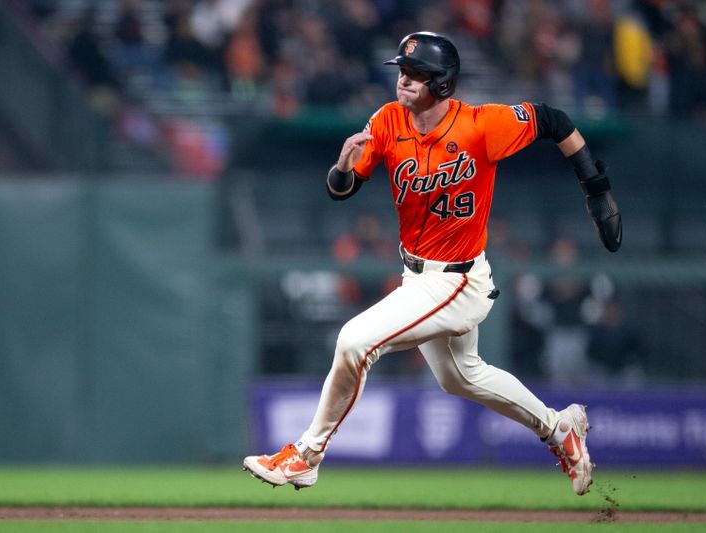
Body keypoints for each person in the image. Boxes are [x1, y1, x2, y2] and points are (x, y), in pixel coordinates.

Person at [243, 31, 622, 496]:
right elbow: (342, 189)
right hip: (415, 272)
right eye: (402, 70)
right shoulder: (386, 120)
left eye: (415, 72)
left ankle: (306, 455)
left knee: (354, 342)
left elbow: (553, 119)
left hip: (457, 280)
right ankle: (559, 428)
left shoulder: (483, 125)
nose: (402, 79)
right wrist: (341, 170)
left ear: (442, 83)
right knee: (463, 377)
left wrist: (596, 186)